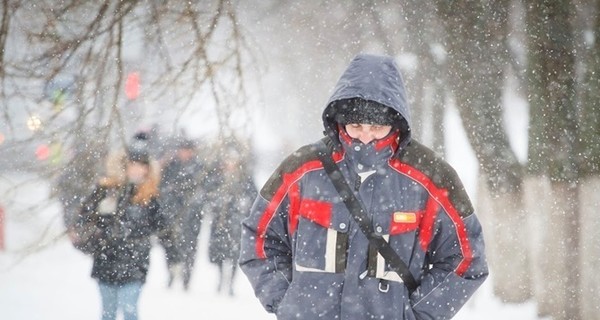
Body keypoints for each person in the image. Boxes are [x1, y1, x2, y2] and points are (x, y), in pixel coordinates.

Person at [238, 53, 488, 319]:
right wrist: (288, 302)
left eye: (377, 126)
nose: (366, 137)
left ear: (396, 123)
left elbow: (466, 260)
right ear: (339, 120)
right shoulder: (302, 169)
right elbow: (259, 238)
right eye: (356, 125)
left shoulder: (432, 178)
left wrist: (416, 314)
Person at [76, 142, 165, 320]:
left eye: (142, 165)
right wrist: (93, 235)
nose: (137, 170)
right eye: (133, 164)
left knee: (129, 308)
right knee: (108, 312)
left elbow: (163, 228)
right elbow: (84, 217)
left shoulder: (149, 197)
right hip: (106, 259)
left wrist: (175, 254)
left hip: (135, 263)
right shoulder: (107, 190)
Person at [207, 143, 257, 296]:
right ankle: (221, 278)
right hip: (220, 222)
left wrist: (244, 206)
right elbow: (208, 194)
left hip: (237, 222)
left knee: (235, 254)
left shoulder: (245, 178)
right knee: (219, 253)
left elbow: (254, 197)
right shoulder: (216, 176)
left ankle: (231, 283)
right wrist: (216, 202)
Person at [158, 137, 205, 290]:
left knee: (190, 246)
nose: (184, 153)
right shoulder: (171, 166)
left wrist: (193, 198)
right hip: (172, 213)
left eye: (187, 150)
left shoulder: (199, 168)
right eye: (182, 150)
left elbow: (203, 189)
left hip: (192, 215)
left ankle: (186, 277)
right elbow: (163, 187)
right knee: (170, 244)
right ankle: (171, 272)